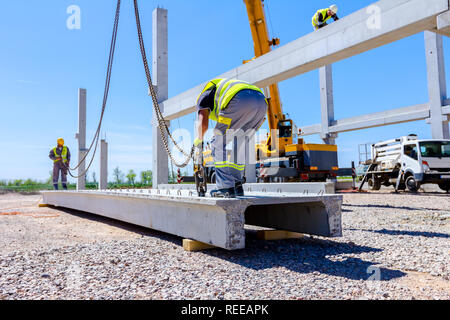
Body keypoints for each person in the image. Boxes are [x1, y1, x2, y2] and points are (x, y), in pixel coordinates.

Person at [194, 78, 267, 198]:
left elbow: (203, 124)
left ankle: (225, 187)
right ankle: (236, 185)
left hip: (239, 99)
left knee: (217, 142)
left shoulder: (203, 97)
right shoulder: (219, 88)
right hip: (261, 103)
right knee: (241, 143)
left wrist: (198, 140)